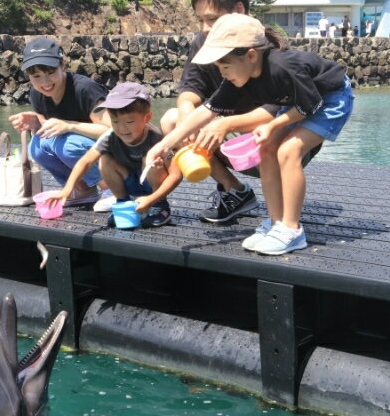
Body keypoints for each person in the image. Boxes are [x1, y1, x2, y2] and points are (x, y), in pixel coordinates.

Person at [147, 14, 354, 255]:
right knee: (265, 149)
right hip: (300, 101)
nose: (223, 74)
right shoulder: (239, 77)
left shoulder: (284, 66)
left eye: (225, 66)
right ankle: (276, 222)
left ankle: (292, 229)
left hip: (331, 99)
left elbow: (310, 105)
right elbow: (205, 111)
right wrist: (165, 144)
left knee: (289, 151)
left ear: (251, 55)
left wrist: (273, 126)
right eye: (219, 68)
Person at [157, 0, 268, 223]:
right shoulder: (202, 43)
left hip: (271, 134)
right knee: (172, 119)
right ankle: (235, 191)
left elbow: (281, 110)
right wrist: (188, 121)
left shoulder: (262, 44)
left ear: (238, 10)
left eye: (213, 20)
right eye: (201, 20)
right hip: (234, 137)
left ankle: (283, 214)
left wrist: (223, 124)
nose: (206, 28)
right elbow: (189, 92)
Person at [45, 82, 181, 228]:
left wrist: (152, 199)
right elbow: (86, 161)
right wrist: (67, 189)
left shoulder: (157, 139)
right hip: (129, 182)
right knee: (105, 159)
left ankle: (160, 206)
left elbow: (176, 174)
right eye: (115, 121)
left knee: (151, 160)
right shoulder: (110, 136)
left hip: (153, 186)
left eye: (129, 121)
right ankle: (122, 203)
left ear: (147, 118)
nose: (122, 128)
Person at [9, 37, 115, 210]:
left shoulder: (84, 89)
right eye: (36, 76)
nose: (45, 82)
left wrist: (70, 125)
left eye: (50, 72)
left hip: (114, 157)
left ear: (62, 65)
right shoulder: (37, 94)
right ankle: (82, 190)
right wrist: (36, 124)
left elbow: (115, 131)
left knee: (69, 144)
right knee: (36, 146)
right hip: (84, 151)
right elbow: (48, 135)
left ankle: (112, 188)